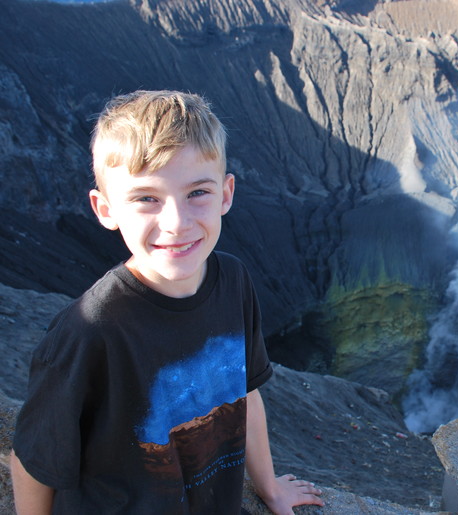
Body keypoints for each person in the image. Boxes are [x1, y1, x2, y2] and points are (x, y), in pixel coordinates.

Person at [10, 90, 324, 514]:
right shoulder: (88, 333)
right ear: (105, 209)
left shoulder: (233, 280)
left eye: (198, 192)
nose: (176, 222)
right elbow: (35, 460)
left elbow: (245, 392)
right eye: (146, 198)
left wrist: (269, 487)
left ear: (226, 194)